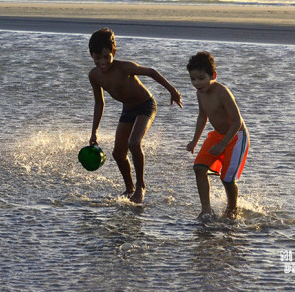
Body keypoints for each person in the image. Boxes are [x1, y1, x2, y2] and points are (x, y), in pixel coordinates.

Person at [88, 28, 183, 204]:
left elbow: (152, 72)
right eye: (97, 58)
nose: (102, 62)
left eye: (106, 56)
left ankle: (140, 186)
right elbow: (99, 103)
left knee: (134, 143)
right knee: (118, 153)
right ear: (91, 56)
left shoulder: (124, 67)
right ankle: (129, 187)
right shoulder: (94, 76)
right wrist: (94, 132)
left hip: (146, 106)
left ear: (113, 53)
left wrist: (172, 90)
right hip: (128, 109)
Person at [186, 51, 249, 220]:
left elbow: (236, 121)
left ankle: (232, 209)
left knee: (227, 179)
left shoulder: (222, 92)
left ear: (213, 75)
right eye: (193, 79)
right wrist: (194, 141)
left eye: (201, 78)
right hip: (218, 135)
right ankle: (206, 210)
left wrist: (223, 144)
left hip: (236, 137)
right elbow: (202, 116)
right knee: (199, 168)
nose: (197, 83)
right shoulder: (200, 93)